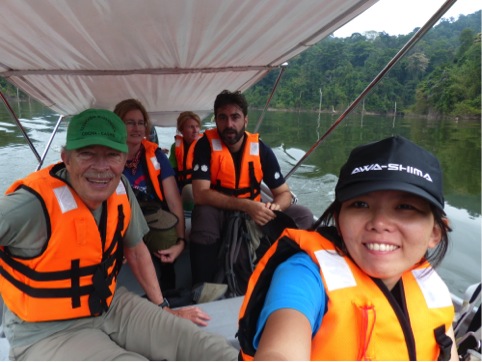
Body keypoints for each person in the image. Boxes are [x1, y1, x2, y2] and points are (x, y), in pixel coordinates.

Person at [0, 108, 237, 360]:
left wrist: (162, 307)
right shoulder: (30, 205)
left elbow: (135, 250)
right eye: (87, 153)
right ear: (66, 158)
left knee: (205, 347)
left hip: (110, 305)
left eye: (112, 155)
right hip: (46, 331)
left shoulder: (121, 190)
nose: (101, 167)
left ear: (124, 159)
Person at [237, 135, 458, 361]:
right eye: (360, 204)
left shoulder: (432, 290)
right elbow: (279, 351)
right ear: (338, 220)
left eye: (405, 207)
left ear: (435, 233)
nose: (379, 223)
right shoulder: (303, 275)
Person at [190, 90, 314, 296]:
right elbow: (200, 194)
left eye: (235, 117)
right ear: (216, 120)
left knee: (304, 215)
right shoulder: (205, 145)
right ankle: (202, 286)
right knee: (203, 214)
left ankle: (285, 274)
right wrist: (246, 205)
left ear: (246, 120)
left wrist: (274, 207)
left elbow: (283, 192)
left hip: (254, 214)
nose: (229, 124)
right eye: (223, 118)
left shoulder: (261, 150)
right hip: (222, 211)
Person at [113, 99, 190, 305]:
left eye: (140, 122)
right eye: (130, 122)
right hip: (120, 220)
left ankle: (169, 298)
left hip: (151, 219)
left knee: (166, 243)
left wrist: (180, 242)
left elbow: (174, 202)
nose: (137, 128)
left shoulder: (156, 156)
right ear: (118, 125)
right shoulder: (108, 156)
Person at [169, 111, 202, 211]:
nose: (195, 130)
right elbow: (171, 171)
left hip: (199, 186)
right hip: (181, 184)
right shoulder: (175, 147)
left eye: (197, 126)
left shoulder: (205, 146)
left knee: (188, 190)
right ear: (181, 130)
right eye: (191, 127)